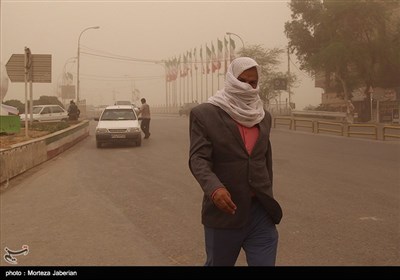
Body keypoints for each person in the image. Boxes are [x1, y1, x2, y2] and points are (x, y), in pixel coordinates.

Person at [188, 57, 283, 266]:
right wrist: (214, 189)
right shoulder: (205, 114)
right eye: (242, 80)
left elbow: (264, 161)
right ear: (231, 79)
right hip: (225, 212)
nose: (247, 86)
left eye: (253, 82)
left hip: (260, 214)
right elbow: (198, 158)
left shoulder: (263, 116)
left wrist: (267, 195)